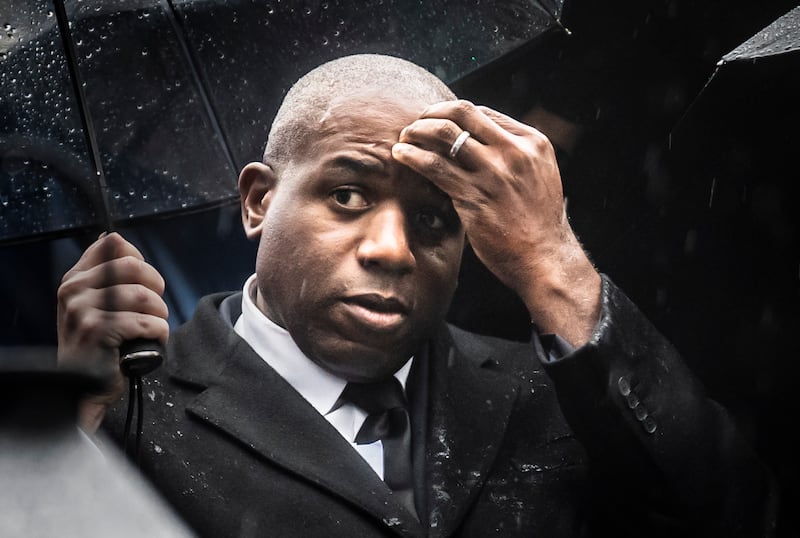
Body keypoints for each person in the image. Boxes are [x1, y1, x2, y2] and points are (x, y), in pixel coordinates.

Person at [56, 54, 774, 537]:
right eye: (346, 195)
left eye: (435, 218)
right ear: (257, 202)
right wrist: (71, 426)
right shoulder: (127, 407)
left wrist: (556, 261)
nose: (393, 249)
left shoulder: (558, 393)